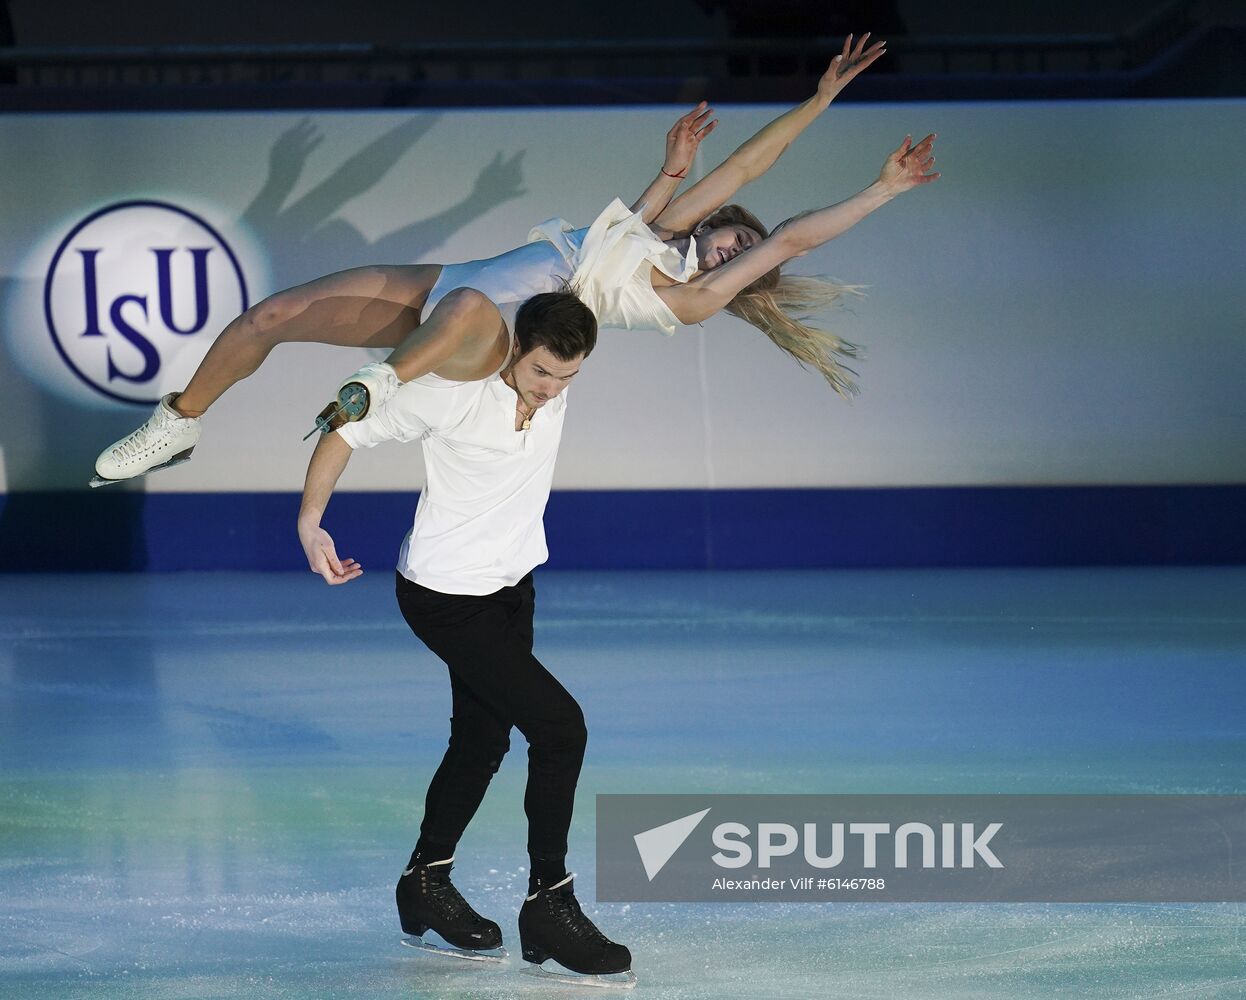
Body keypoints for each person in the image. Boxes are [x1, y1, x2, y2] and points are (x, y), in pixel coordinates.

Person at [94, 33, 937, 486]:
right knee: (268, 316)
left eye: (745, 253)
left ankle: (377, 390)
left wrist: (881, 190)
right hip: (442, 289)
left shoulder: (692, 295)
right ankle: (177, 424)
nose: (736, 242)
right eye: (737, 233)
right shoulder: (658, 229)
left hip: (488, 338)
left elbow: (790, 230)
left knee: (459, 317)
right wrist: (815, 96)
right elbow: (748, 164)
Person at [297, 289, 634, 985]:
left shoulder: (552, 383)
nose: (552, 391)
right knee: (561, 728)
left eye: (568, 378)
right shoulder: (451, 394)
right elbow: (344, 432)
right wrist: (311, 522)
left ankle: (425, 879)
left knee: (483, 738)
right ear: (513, 350)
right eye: (542, 373)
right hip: (446, 596)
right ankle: (549, 901)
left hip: (511, 588)